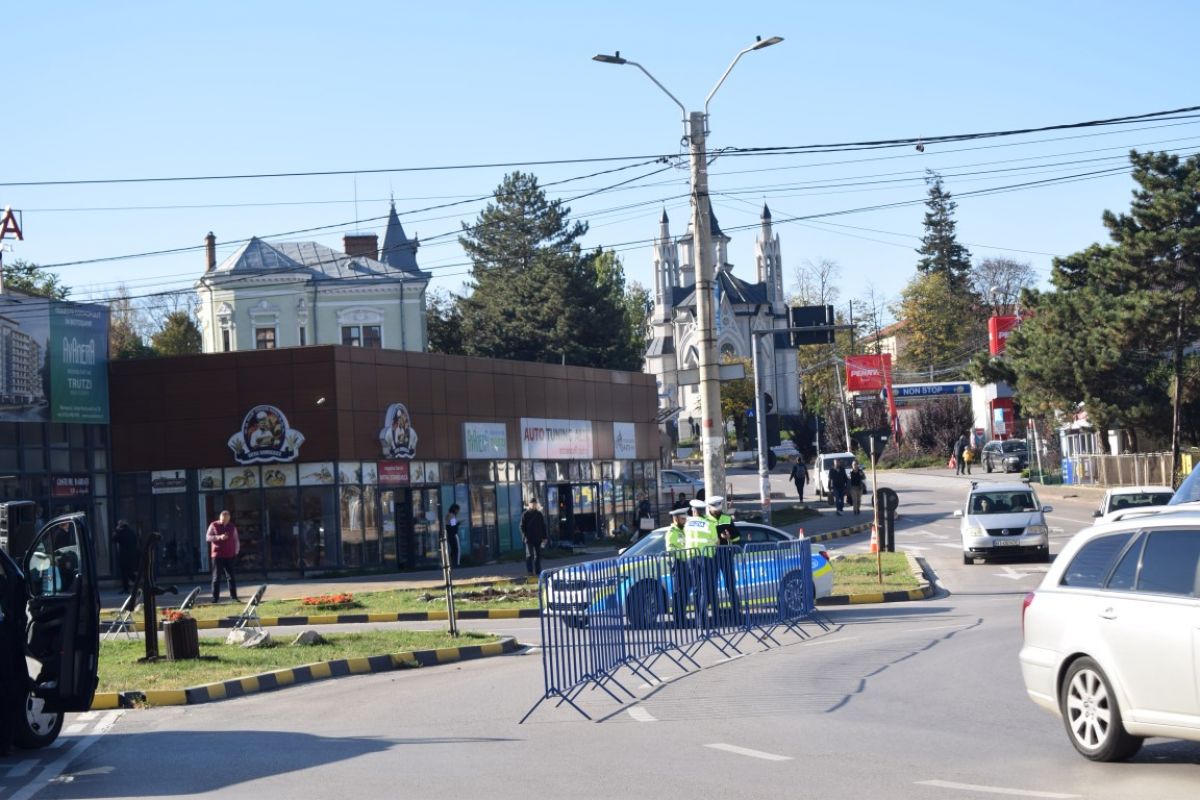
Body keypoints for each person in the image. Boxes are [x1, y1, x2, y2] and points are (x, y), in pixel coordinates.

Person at [706, 496, 741, 624]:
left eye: (719, 507)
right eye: (715, 508)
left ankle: (736, 613)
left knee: (730, 584)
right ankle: (716, 614)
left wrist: (729, 538)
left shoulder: (726, 518)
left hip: (725, 554)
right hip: (711, 556)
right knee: (712, 585)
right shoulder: (705, 521)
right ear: (709, 508)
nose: (717, 510)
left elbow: (737, 538)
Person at [683, 499, 718, 624]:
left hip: (691, 557)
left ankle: (699, 620)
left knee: (697, 588)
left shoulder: (687, 524)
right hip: (705, 557)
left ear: (694, 511)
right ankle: (703, 620)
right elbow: (715, 541)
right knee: (705, 589)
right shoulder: (709, 524)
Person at [206, 510, 240, 603]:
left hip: (230, 555)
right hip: (217, 555)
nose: (224, 522)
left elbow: (236, 539)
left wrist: (236, 551)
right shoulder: (213, 525)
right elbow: (208, 537)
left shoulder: (232, 527)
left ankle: (234, 597)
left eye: (226, 520)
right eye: (222, 520)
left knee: (231, 577)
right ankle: (215, 598)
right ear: (220, 517)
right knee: (216, 577)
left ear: (229, 519)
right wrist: (219, 537)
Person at [665, 506, 691, 624]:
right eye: (682, 519)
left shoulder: (685, 530)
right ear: (675, 519)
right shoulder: (672, 532)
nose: (685, 521)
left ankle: (682, 616)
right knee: (680, 591)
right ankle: (679, 618)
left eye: (685, 519)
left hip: (687, 563)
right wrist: (684, 552)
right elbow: (670, 549)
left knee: (685, 592)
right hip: (679, 563)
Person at [111, 519, 140, 596]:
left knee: (124, 573)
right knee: (130, 572)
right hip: (132, 556)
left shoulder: (121, 532)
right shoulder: (132, 533)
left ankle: (126, 588)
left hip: (123, 556)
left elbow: (113, 539)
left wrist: (116, 530)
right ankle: (138, 583)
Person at [519, 499, 547, 576]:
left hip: (538, 538)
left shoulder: (539, 514)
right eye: (532, 504)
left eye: (535, 504)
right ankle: (530, 571)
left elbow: (543, 526)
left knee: (538, 556)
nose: (534, 505)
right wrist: (524, 536)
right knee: (529, 555)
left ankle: (538, 572)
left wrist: (544, 537)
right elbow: (521, 526)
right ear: (529, 505)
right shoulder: (525, 514)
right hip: (529, 539)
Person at [443, 504, 461, 568]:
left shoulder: (448, 515)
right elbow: (453, 525)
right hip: (453, 534)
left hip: (449, 534)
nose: (458, 511)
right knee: (456, 549)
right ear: (455, 509)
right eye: (457, 510)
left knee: (453, 549)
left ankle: (452, 562)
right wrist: (458, 524)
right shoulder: (452, 516)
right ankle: (456, 563)